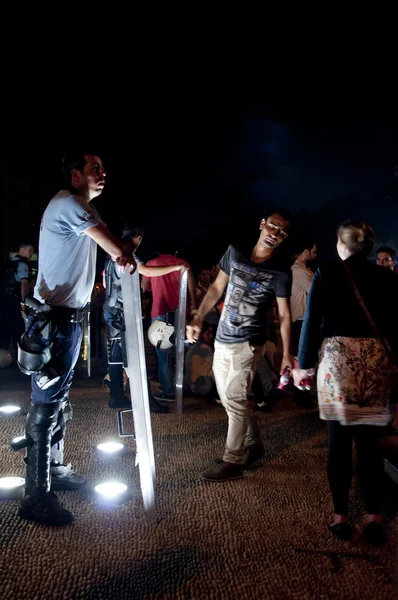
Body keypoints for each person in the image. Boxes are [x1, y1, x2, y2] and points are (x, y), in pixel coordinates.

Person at [19, 150, 137, 526]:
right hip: (54, 319)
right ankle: (35, 495)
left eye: (103, 166)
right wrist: (132, 241)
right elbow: (118, 251)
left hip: (66, 318)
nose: (103, 172)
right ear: (74, 175)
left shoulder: (81, 208)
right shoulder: (70, 204)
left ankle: (54, 468)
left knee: (58, 400)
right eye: (94, 168)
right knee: (47, 403)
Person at [294, 220, 398, 544]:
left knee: (338, 441)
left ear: (342, 244)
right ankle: (374, 516)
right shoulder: (385, 276)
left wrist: (303, 364)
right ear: (368, 248)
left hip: (337, 362)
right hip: (373, 362)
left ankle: (341, 516)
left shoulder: (327, 272)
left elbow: (312, 322)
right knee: (369, 442)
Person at [187, 209, 294, 482]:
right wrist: (198, 317)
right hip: (223, 337)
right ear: (262, 224)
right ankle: (254, 442)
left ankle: (232, 460)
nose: (275, 234)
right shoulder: (235, 252)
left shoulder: (281, 270)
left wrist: (285, 353)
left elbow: (284, 315)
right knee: (227, 400)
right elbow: (215, 289)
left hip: (249, 343)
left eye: (281, 232)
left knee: (234, 400)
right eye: (272, 227)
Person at [103, 223, 186, 412]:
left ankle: (116, 396)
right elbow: (147, 272)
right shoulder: (127, 256)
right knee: (136, 357)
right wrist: (176, 267)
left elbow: (106, 285)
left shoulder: (111, 257)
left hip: (111, 311)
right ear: (138, 239)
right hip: (123, 315)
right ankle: (147, 401)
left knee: (115, 356)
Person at [141, 250, 197, 401]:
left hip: (160, 311)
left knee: (163, 354)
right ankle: (181, 386)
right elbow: (191, 283)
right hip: (180, 311)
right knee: (180, 352)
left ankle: (169, 391)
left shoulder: (151, 264)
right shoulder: (182, 263)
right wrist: (192, 303)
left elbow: (145, 287)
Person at [290, 239, 318, 408]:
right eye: (314, 250)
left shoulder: (298, 269)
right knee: (302, 360)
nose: (315, 254)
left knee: (301, 360)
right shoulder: (300, 271)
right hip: (301, 321)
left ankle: (303, 396)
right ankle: (302, 397)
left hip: (299, 320)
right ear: (306, 251)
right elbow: (318, 291)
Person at [0, 242, 34, 360]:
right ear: (22, 250)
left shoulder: (8, 263)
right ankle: (20, 360)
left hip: (4, 301)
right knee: (18, 331)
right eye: (29, 250)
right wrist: (24, 303)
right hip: (15, 302)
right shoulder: (22, 264)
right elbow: (23, 286)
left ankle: (3, 359)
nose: (31, 254)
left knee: (5, 330)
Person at [184, 322, 219, 404]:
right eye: (208, 333)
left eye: (211, 333)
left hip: (190, 387)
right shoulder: (205, 348)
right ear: (201, 334)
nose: (211, 336)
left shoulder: (193, 347)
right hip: (203, 387)